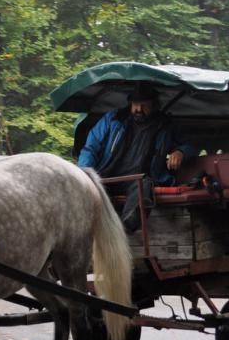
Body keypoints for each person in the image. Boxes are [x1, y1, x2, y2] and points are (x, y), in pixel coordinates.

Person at [78, 83, 196, 231]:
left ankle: (123, 229)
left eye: (144, 105)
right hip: (107, 176)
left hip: (138, 181)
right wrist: (84, 173)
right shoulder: (113, 119)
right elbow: (90, 148)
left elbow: (190, 146)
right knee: (84, 191)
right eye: (135, 104)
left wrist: (181, 152)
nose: (138, 109)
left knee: (144, 186)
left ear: (154, 105)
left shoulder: (165, 125)